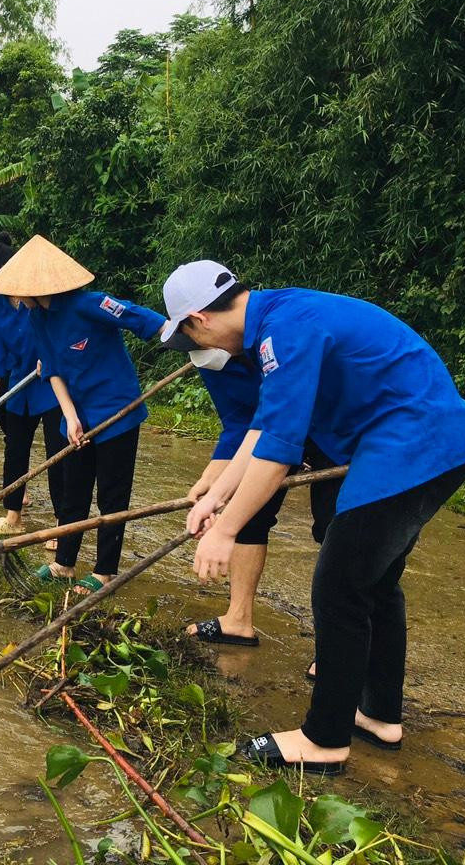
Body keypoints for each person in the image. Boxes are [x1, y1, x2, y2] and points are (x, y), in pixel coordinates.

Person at [164, 261, 465, 774]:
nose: (198, 349)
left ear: (199, 319)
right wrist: (216, 498)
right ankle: (378, 715)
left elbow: (278, 450)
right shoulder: (282, 319)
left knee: (339, 588)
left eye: (186, 336)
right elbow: (263, 427)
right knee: (375, 585)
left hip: (411, 445)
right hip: (432, 444)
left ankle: (324, 739)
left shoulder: (285, 331)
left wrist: (225, 533)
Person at [159, 264, 344, 647]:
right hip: (270, 437)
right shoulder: (211, 355)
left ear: (200, 319)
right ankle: (238, 619)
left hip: (331, 437)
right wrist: (214, 489)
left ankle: (338, 650)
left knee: (337, 534)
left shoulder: (276, 332)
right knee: (249, 514)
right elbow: (244, 424)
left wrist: (223, 524)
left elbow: (278, 434)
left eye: (192, 334)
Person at [0, 235, 165, 593]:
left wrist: (190, 343)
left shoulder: (91, 304)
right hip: (78, 414)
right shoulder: (39, 318)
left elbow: (144, 319)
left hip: (118, 411)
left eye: (17, 291)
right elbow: (51, 370)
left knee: (112, 494)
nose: (14, 299)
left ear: (33, 287)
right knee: (74, 489)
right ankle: (64, 563)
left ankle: (104, 572)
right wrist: (69, 415)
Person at [0, 237, 66, 535]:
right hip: (19, 387)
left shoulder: (40, 296)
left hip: (52, 385)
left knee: (57, 454)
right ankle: (12, 517)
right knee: (15, 450)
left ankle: (62, 525)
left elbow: (63, 334)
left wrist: (49, 358)